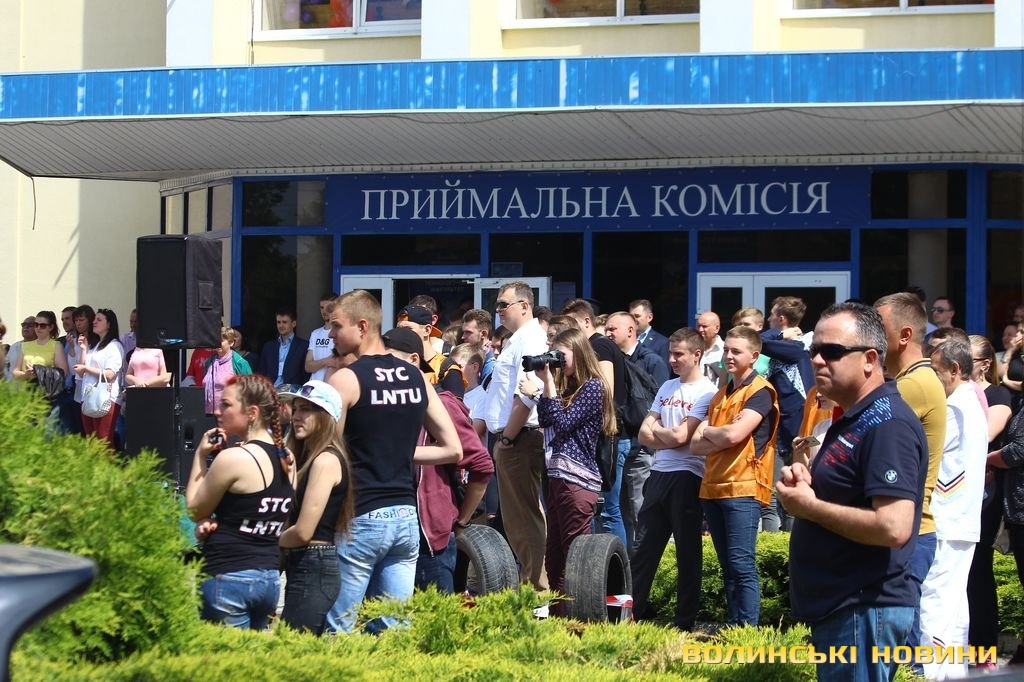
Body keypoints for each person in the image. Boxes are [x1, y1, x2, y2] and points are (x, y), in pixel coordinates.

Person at [777, 302, 927, 682]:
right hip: (846, 609)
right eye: (814, 350)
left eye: (832, 351)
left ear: (870, 359)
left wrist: (810, 507)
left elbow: (893, 526)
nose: (817, 360)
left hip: (863, 609)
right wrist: (807, 482)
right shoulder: (853, 418)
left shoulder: (887, 424)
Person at [325, 291, 461, 633]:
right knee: (394, 631)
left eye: (336, 326)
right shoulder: (416, 377)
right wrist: (397, 451)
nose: (330, 333)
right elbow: (453, 449)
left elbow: (327, 454)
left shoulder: (346, 379)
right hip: (404, 519)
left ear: (362, 326)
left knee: (338, 629)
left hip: (360, 515)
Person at [383, 327, 493, 593]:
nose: (381, 370)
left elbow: (482, 465)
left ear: (413, 360)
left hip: (430, 536)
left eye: (389, 360)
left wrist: (461, 520)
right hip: (386, 530)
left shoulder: (441, 404)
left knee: (435, 613)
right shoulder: (381, 402)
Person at [186, 374, 295, 630]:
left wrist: (200, 457)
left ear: (252, 412)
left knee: (222, 655)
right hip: (269, 579)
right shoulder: (287, 458)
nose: (217, 410)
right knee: (252, 655)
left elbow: (194, 509)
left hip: (229, 575)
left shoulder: (234, 458)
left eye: (226, 404)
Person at [690, 325, 779, 626]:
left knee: (742, 565)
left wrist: (712, 432)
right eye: (726, 349)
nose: (728, 355)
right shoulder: (720, 395)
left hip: (743, 486)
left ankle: (747, 629)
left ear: (754, 356)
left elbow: (733, 435)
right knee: (728, 566)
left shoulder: (761, 391)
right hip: (713, 487)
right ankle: (734, 625)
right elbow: (695, 445)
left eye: (736, 351)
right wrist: (721, 433)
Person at [519, 328, 616, 597]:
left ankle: (580, 613)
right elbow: (546, 419)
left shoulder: (594, 387)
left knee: (575, 558)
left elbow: (562, 423)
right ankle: (560, 614)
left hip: (577, 481)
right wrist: (547, 385)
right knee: (554, 558)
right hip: (558, 479)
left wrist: (547, 386)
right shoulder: (569, 387)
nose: (557, 361)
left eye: (561, 355)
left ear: (579, 352)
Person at [632, 327, 717, 630]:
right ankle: (632, 611)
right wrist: (668, 434)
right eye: (671, 353)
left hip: (687, 475)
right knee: (643, 547)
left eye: (679, 354)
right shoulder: (667, 386)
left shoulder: (707, 392)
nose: (672, 359)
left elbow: (684, 437)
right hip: (658, 472)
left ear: (697, 354)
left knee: (687, 550)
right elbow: (643, 434)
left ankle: (684, 621)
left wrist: (661, 432)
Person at [483, 282, 550, 589]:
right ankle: (535, 586)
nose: (498, 310)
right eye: (497, 305)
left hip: (520, 437)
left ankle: (537, 591)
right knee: (519, 519)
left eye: (503, 304)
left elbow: (526, 396)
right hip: (515, 436)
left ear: (524, 306)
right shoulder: (519, 338)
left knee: (523, 519)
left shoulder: (530, 338)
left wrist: (507, 440)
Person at [277, 380, 352, 635]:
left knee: (292, 649)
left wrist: (264, 540)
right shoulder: (304, 459)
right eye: (296, 409)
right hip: (302, 564)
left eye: (306, 409)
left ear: (325, 416)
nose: (297, 416)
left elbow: (303, 532)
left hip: (314, 566)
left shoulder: (326, 461)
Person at [966, 334, 1014, 663]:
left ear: (984, 364)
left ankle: (984, 648)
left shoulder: (997, 395)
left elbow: (983, 436)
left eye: (966, 358)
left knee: (978, 567)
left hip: (985, 492)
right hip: (957, 490)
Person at [73, 308, 125, 448]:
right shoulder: (95, 346)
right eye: (94, 319)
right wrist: (83, 349)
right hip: (89, 397)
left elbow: (110, 374)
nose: (94, 322)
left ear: (109, 324)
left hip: (106, 397)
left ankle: (111, 463)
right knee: (91, 440)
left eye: (99, 320)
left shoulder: (114, 346)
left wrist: (86, 369)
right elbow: (80, 372)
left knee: (103, 441)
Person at [12, 311, 69, 390]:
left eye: (42, 326)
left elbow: (63, 372)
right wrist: (26, 375)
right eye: (36, 325)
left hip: (45, 391)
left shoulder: (56, 345)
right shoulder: (25, 345)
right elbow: (15, 372)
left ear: (51, 327)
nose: (38, 328)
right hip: (25, 391)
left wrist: (39, 371)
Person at [203, 327, 253, 415]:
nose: (218, 344)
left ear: (231, 342)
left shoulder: (240, 363)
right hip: (209, 413)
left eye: (221, 341)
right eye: (216, 341)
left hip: (230, 414)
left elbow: (249, 390)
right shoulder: (209, 362)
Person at [256, 309, 310, 387]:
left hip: (292, 391)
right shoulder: (268, 347)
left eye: (284, 322)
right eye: (279, 322)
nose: (281, 325)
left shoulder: (304, 346)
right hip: (270, 390)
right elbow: (262, 372)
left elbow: (305, 375)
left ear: (293, 324)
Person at [305, 292, 341, 382]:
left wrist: (317, 363)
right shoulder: (315, 333)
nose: (324, 311)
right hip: (314, 386)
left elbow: (337, 363)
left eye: (328, 307)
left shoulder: (340, 333)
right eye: (321, 307)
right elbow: (307, 366)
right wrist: (326, 361)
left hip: (331, 386)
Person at [999, 321, 1023, 414]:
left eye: (1022, 332)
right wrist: (1010, 350)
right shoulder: (1015, 353)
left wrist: (1007, 381)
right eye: (1018, 331)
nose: (1017, 334)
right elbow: (1000, 374)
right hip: (1008, 403)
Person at [5, 316, 37, 381]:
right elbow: (5, 365)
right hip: (11, 385)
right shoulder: (14, 346)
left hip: (31, 385)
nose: (26, 327)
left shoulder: (42, 346)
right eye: (23, 325)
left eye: (30, 325)